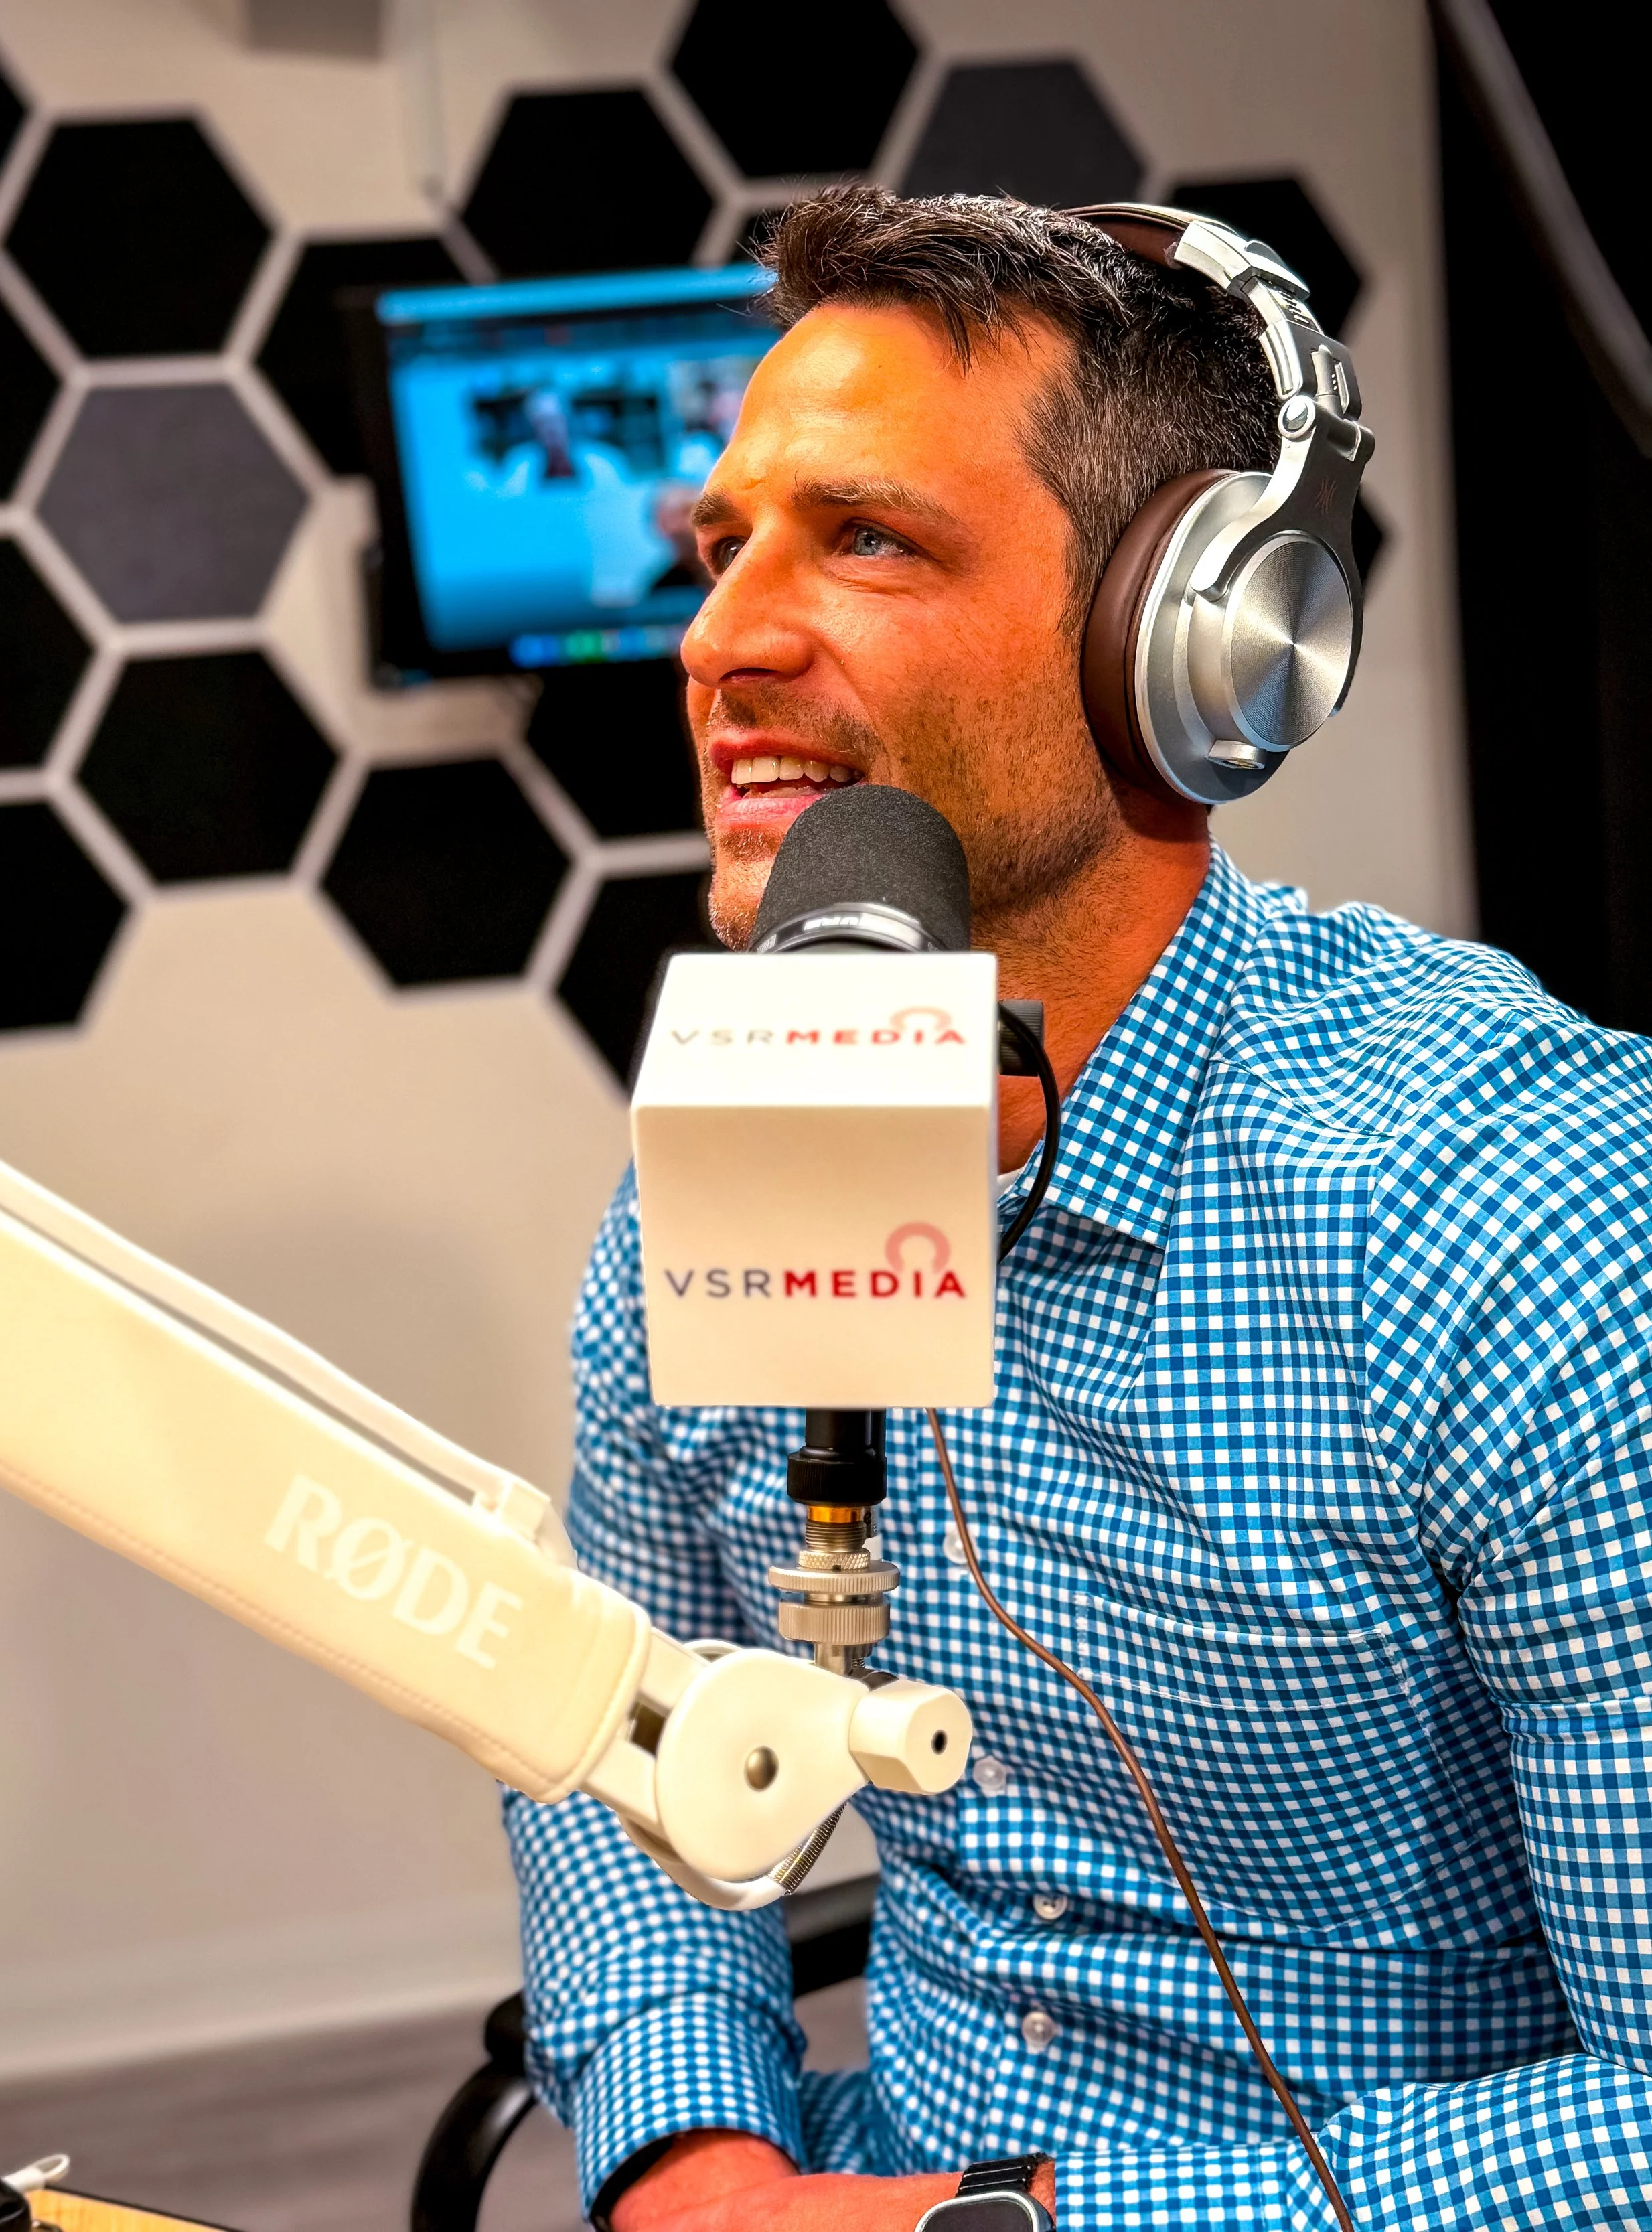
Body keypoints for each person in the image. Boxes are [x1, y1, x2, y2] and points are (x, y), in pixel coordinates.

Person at [504, 187, 1652, 2232]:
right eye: (722, 542)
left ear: (1200, 641)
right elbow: (619, 1730)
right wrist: (695, 2164)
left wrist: (1016, 2229)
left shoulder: (1515, 1218)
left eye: (861, 537)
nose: (718, 638)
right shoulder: (753, 1129)